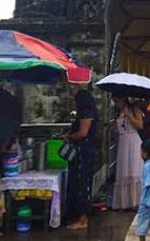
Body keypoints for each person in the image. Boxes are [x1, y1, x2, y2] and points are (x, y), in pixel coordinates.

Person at [64, 90, 99, 230]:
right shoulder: (88, 112)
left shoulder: (87, 113)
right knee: (80, 183)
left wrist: (70, 136)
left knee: (82, 184)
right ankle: (78, 215)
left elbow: (83, 133)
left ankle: (82, 218)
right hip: (84, 153)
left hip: (83, 153)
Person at [113, 95, 145, 210]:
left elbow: (140, 125)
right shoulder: (118, 113)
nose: (116, 103)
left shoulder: (134, 109)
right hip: (123, 143)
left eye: (117, 100)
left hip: (133, 141)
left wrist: (129, 115)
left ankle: (136, 201)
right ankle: (125, 202)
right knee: (124, 170)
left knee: (134, 170)